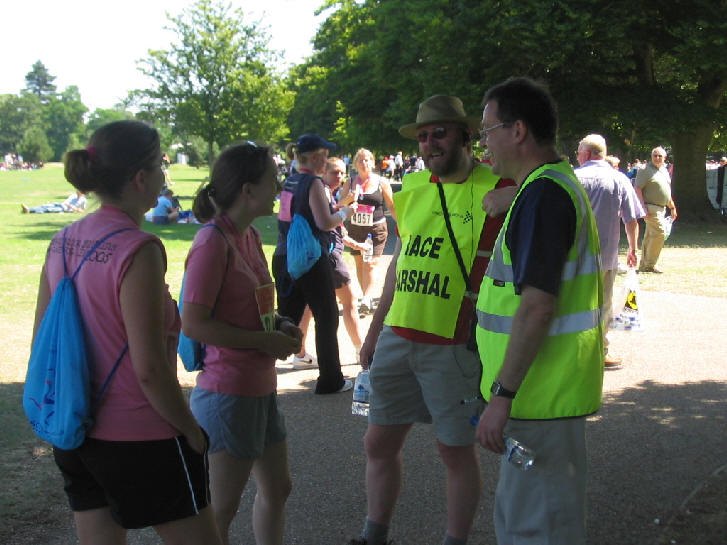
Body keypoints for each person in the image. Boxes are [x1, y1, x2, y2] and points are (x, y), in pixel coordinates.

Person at [33, 120, 221, 545]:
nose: (164, 175)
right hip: (141, 434)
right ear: (140, 178)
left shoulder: (61, 241)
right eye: (160, 166)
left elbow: (42, 340)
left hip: (75, 430)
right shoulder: (139, 249)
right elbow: (149, 368)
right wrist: (190, 429)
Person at [350, 95, 512, 545]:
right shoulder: (414, 187)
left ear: (465, 135)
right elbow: (401, 263)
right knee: (378, 443)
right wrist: (375, 331)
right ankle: (373, 534)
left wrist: (516, 194)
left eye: (439, 133)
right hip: (398, 334)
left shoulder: (499, 183)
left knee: (454, 450)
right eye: (422, 136)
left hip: (453, 342)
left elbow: (555, 188)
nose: (429, 143)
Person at [475, 77, 603, 545]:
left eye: (487, 131)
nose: (482, 143)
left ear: (518, 130)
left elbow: (536, 307)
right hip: (541, 398)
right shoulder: (544, 188)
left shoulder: (544, 195)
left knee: (537, 530)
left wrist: (501, 395)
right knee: (523, 522)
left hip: (540, 397)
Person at [182, 143, 301, 545]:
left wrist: (282, 324)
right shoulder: (211, 243)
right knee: (221, 509)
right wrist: (263, 340)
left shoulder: (248, 236)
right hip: (228, 393)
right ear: (248, 190)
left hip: (259, 389)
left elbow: (255, 305)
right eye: (273, 180)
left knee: (278, 488)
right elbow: (193, 323)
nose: (279, 188)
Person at [272, 134, 355, 394]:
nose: (327, 161)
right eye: (324, 156)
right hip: (309, 259)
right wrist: (345, 212)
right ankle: (331, 379)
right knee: (326, 317)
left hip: (284, 255)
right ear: (316, 157)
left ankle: (258, 372)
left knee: (286, 317)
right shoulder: (313, 183)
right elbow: (324, 222)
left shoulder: (290, 180)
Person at [575, 134, 645, 370]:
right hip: (606, 256)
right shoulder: (619, 179)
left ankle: (575, 351)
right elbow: (631, 219)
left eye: (578, 153)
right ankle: (600, 351)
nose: (577, 157)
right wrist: (633, 248)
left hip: (575, 257)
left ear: (586, 154)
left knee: (575, 304)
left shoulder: (574, 177)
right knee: (604, 305)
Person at [293, 157, 367, 367]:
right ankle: (361, 350)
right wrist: (344, 208)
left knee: (310, 306)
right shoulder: (320, 189)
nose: (340, 177)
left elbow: (333, 226)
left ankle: (299, 354)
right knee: (349, 302)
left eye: (342, 173)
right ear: (323, 172)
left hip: (319, 255)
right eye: (335, 172)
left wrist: (354, 243)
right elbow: (325, 222)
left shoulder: (323, 191)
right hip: (328, 255)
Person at [340, 148, 397, 313]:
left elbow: (392, 206)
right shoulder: (350, 182)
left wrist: (401, 224)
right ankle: (366, 295)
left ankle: (366, 298)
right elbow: (340, 205)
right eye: (360, 160)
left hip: (376, 228)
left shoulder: (381, 182)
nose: (364, 163)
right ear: (355, 164)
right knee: (359, 264)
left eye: (367, 160)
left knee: (371, 263)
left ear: (372, 162)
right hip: (355, 229)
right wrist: (348, 199)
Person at [634, 146, 677, 273]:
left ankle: (644, 265)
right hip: (650, 207)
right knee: (660, 233)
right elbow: (637, 188)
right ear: (651, 156)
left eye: (660, 156)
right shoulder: (644, 170)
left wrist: (672, 207)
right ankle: (650, 264)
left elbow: (666, 192)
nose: (657, 158)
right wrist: (642, 207)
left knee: (650, 236)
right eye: (655, 155)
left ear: (665, 158)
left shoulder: (664, 171)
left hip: (662, 208)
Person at [22, 190, 87, 214]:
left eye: (78, 190)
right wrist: (69, 205)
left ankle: (29, 210)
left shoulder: (83, 200)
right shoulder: (73, 195)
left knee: (48, 209)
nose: (77, 191)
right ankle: (29, 209)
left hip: (64, 209)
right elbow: (66, 202)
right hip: (61, 204)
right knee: (45, 206)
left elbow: (83, 211)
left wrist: (75, 209)